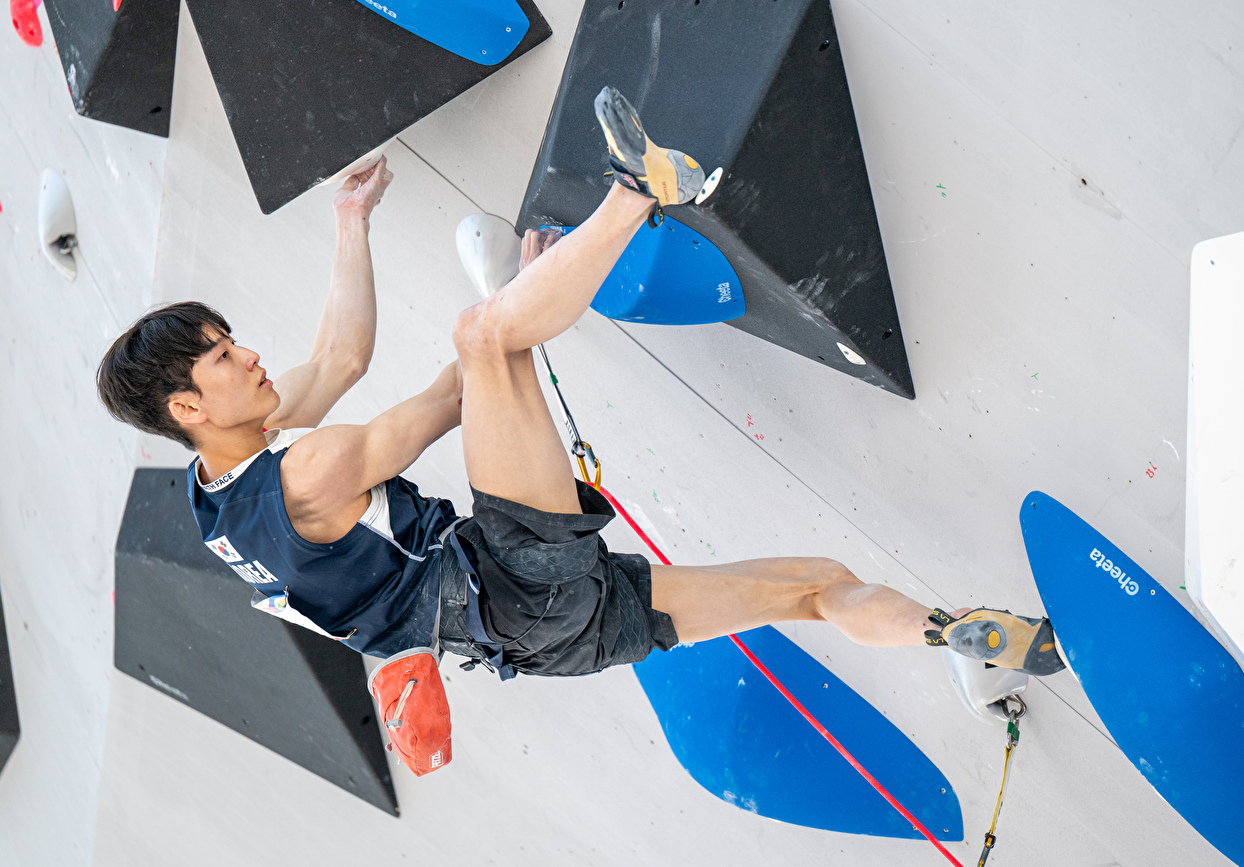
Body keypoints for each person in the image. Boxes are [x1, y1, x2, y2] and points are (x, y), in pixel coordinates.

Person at [96, 87, 1064, 681]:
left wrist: (351, 223)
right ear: (187, 406)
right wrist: (528, 293)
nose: (253, 357)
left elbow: (340, 360)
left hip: (542, 646)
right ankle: (640, 188)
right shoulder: (311, 469)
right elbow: (457, 390)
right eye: (225, 357)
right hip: (506, 585)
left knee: (816, 587)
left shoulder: (219, 494)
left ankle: (949, 629)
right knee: (483, 338)